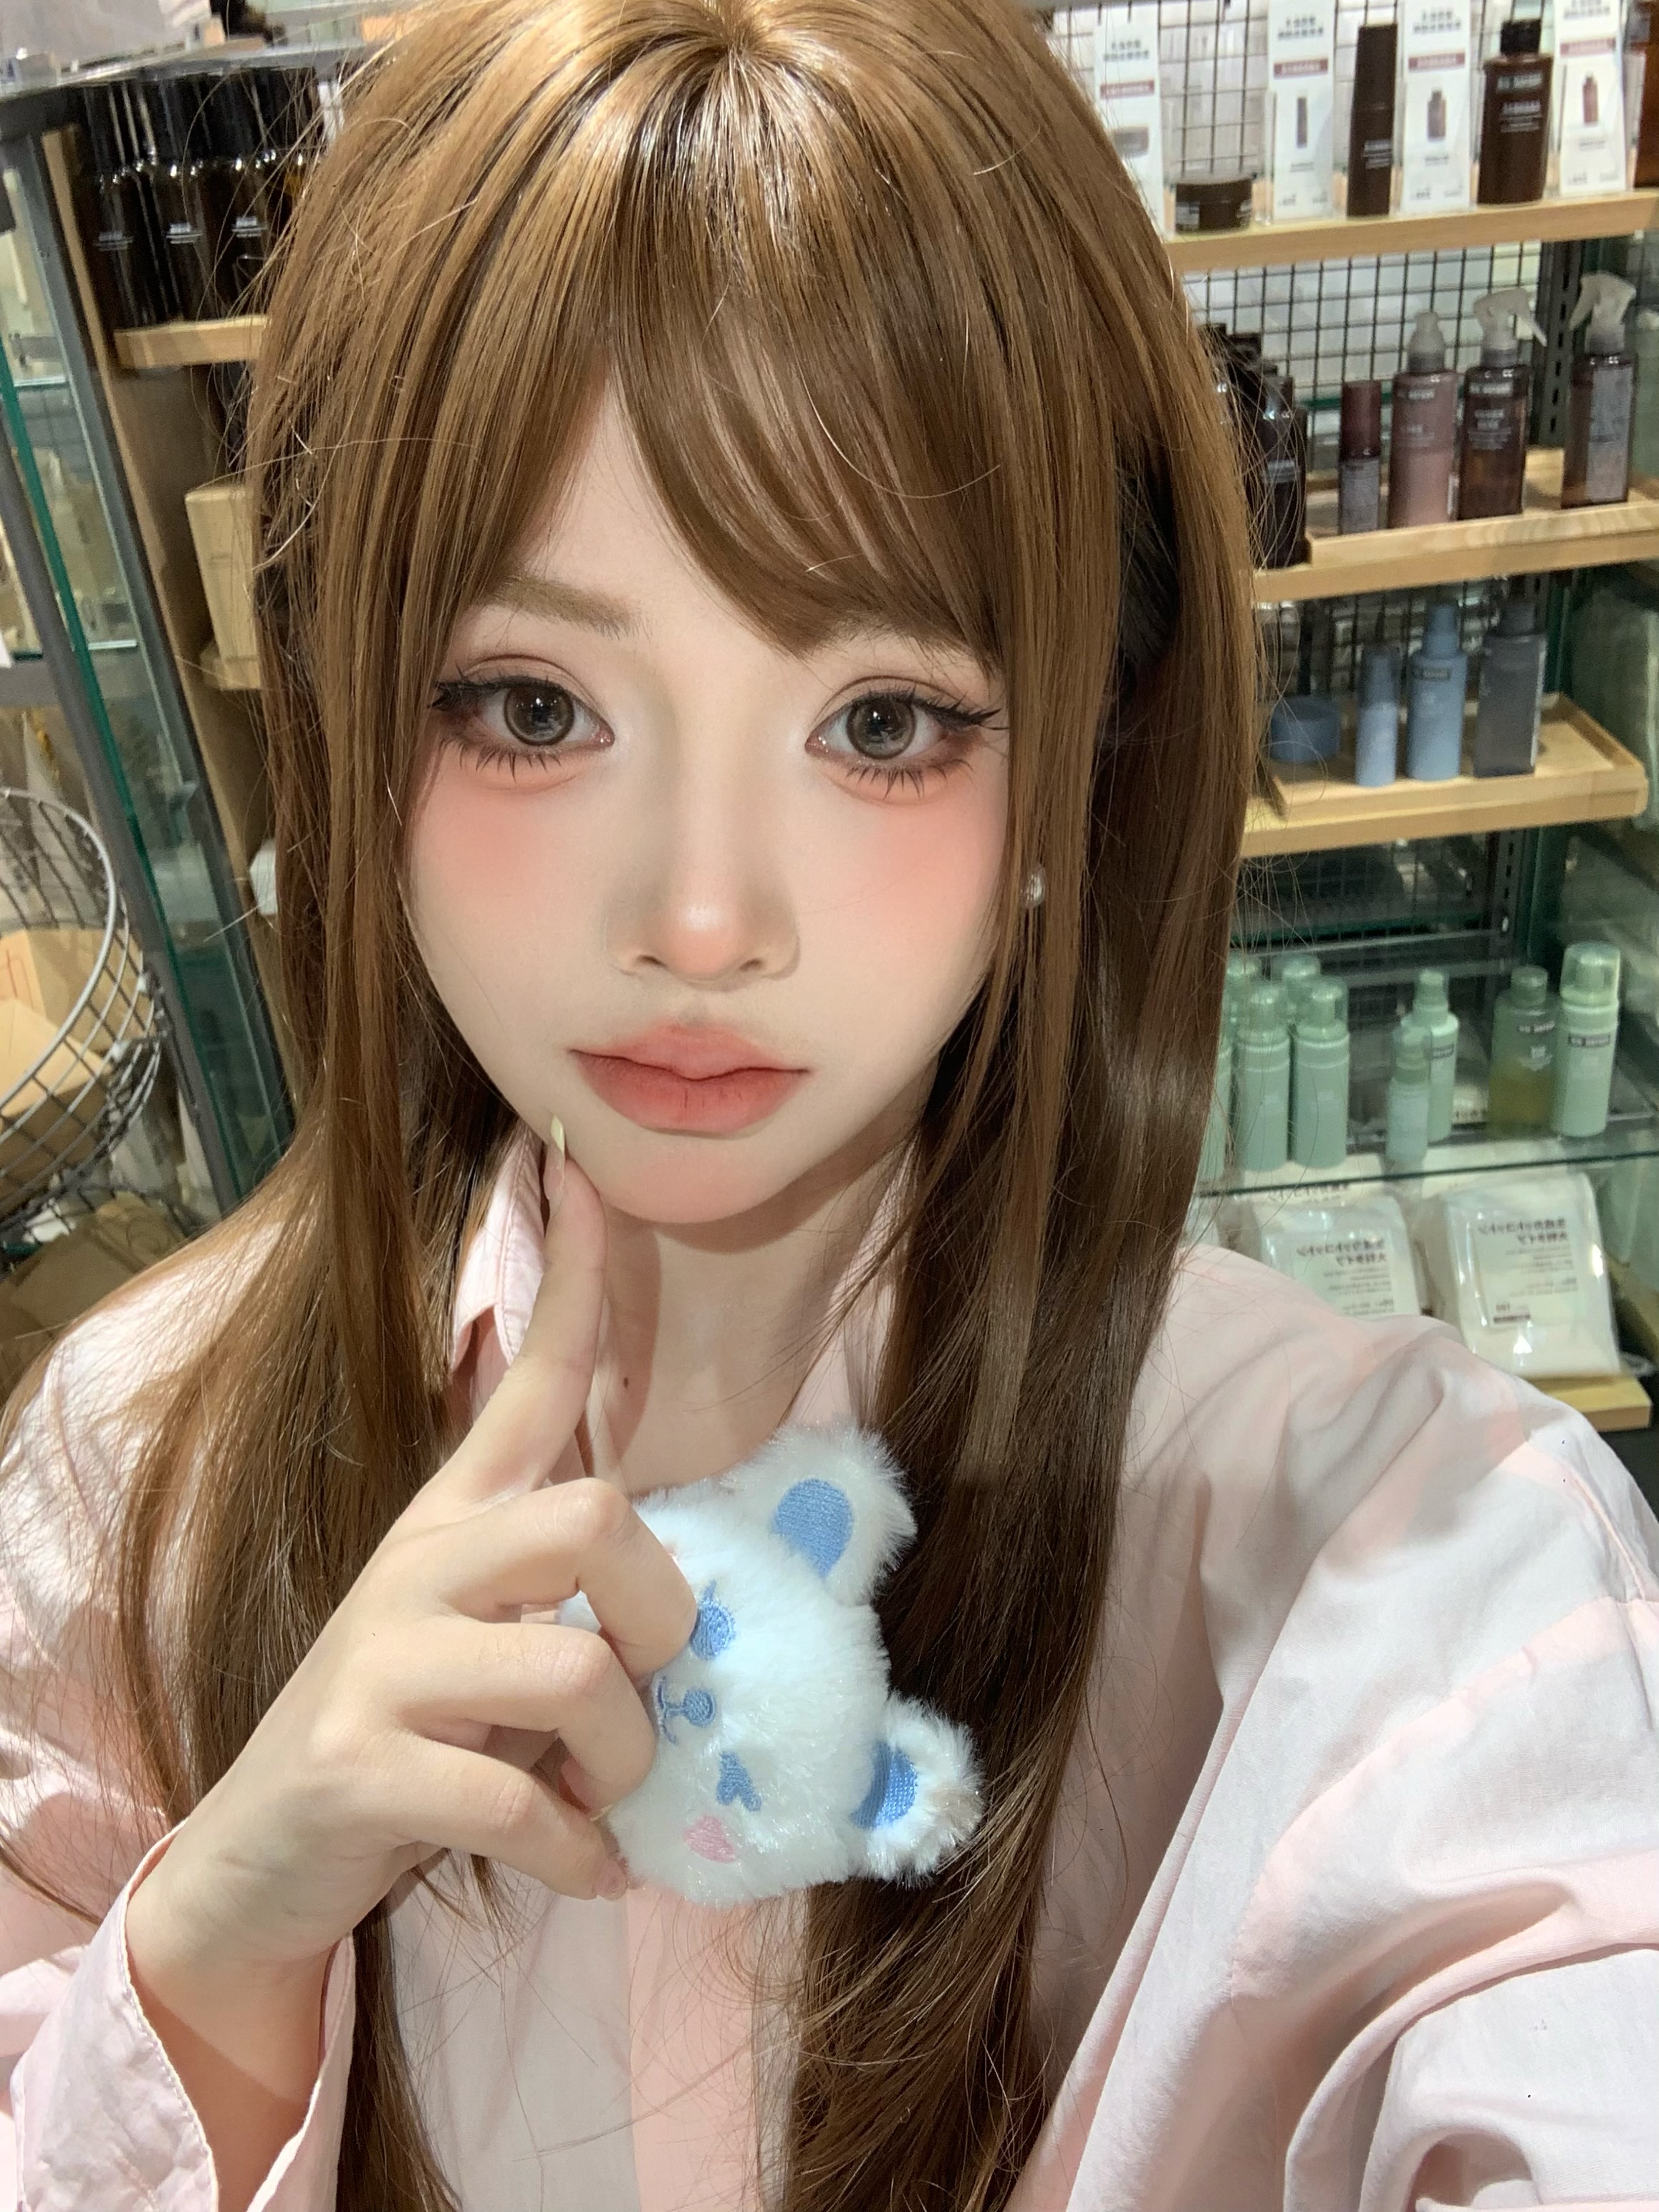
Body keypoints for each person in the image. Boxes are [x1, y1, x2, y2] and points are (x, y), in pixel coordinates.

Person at [4, 1, 1658, 2206]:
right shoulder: (141, 1471)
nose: (702, 922)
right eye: (529, 706)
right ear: (348, 716)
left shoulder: (1390, 1545)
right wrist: (211, 1959)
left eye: (882, 722)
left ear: (1078, 763)